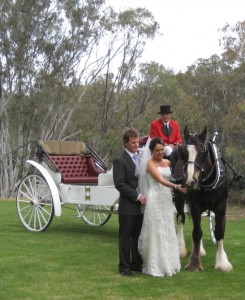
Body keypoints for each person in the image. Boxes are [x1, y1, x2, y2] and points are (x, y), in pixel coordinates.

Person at [138, 137, 187, 277]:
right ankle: (155, 264)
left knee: (167, 228)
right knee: (156, 230)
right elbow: (160, 180)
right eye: (157, 151)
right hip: (155, 198)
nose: (160, 153)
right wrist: (176, 187)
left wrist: (176, 185)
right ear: (151, 152)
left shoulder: (168, 162)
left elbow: (171, 178)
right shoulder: (149, 164)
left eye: (162, 150)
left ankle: (169, 262)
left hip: (166, 199)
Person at [113, 128, 147, 276]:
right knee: (125, 238)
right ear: (125, 144)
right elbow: (120, 184)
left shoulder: (141, 158)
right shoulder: (120, 161)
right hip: (128, 206)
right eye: (133, 143)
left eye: (137, 142)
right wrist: (137, 196)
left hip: (141, 206)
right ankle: (124, 267)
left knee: (138, 237)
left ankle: (136, 264)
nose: (136, 145)